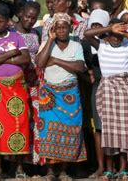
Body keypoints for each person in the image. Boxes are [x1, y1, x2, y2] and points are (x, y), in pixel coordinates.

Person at [84, 18, 128, 180]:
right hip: (107, 90)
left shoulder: (127, 46)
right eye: (113, 34)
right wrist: (110, 27)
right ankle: (109, 170)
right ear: (109, 34)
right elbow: (86, 34)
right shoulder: (102, 46)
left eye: (120, 35)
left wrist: (127, 33)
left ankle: (123, 170)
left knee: (125, 130)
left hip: (125, 89)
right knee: (108, 131)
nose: (116, 38)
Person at [0, 3, 31, 178]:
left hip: (17, 87)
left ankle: (19, 168)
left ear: (7, 21)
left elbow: (25, 58)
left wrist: (1, 59)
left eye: (0, 21)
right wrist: (11, 54)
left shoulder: (16, 36)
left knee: (19, 125)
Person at [36, 12, 87, 179]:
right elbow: (40, 63)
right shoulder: (46, 43)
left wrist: (57, 61)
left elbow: (79, 67)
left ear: (70, 28)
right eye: (58, 28)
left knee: (69, 130)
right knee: (48, 131)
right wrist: (50, 41)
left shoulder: (76, 45)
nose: (61, 30)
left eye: (64, 27)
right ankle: (50, 171)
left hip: (70, 93)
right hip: (49, 94)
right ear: (53, 29)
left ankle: (64, 170)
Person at [81, 9, 110, 179]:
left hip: (114, 87)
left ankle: (114, 167)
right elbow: (83, 67)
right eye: (94, 25)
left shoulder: (112, 41)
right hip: (97, 87)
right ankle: (101, 167)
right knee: (98, 129)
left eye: (100, 25)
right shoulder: (86, 44)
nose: (97, 28)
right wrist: (89, 77)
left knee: (112, 129)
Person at [13, 1, 43, 165]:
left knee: (35, 120)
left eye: (33, 18)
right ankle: (16, 164)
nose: (30, 20)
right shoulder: (10, 33)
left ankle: (33, 160)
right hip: (17, 80)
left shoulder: (35, 33)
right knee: (19, 120)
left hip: (34, 81)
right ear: (20, 14)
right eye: (27, 16)